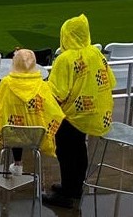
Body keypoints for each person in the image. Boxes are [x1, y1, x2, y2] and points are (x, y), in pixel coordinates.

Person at [42, 15, 115, 209]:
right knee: (79, 149)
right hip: (92, 114)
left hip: (71, 116)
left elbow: (57, 92)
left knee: (66, 152)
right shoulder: (95, 53)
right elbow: (110, 80)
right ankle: (75, 188)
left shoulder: (65, 59)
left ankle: (67, 193)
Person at [0, 49, 65, 178]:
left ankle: (17, 163)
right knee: (20, 129)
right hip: (35, 137)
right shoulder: (42, 85)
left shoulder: (6, 83)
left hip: (9, 134)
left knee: (14, 128)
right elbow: (54, 112)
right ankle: (18, 164)